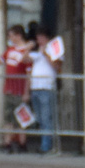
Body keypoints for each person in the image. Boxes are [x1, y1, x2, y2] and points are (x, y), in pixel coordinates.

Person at [0, 25, 31, 152]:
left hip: (19, 89)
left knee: (21, 117)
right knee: (8, 117)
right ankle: (8, 142)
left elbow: (29, 74)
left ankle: (22, 143)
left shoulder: (26, 52)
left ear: (18, 35)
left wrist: (26, 92)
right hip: (9, 88)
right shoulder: (10, 50)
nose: (10, 38)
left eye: (11, 35)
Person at [27, 23, 60, 153]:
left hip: (47, 87)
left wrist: (46, 53)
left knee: (47, 117)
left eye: (40, 37)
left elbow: (56, 66)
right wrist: (27, 48)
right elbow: (25, 60)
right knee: (40, 118)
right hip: (36, 87)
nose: (38, 40)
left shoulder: (53, 50)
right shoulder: (36, 52)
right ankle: (44, 142)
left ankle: (46, 146)